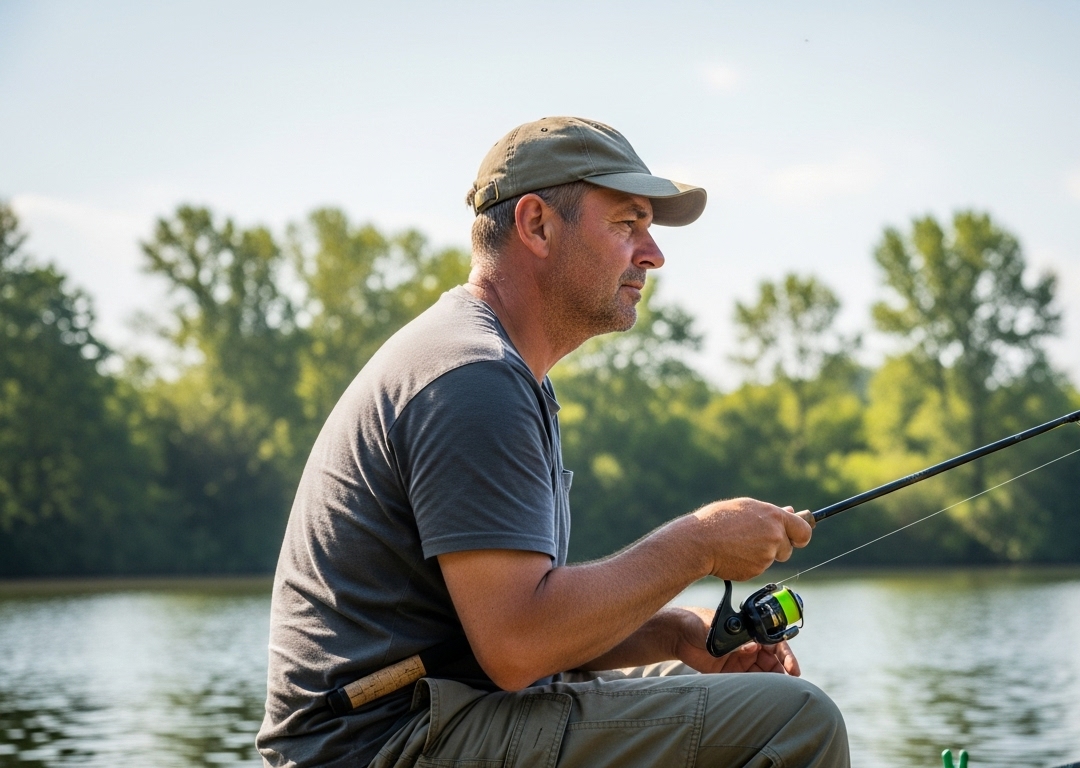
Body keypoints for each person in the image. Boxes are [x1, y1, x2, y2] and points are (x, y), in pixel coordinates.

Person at [257, 116, 850, 768]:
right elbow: (517, 649)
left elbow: (512, 634)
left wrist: (674, 630)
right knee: (794, 721)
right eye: (627, 224)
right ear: (536, 225)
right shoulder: (472, 379)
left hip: (431, 721)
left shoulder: (496, 371)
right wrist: (699, 543)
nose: (653, 253)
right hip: (373, 748)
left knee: (754, 695)